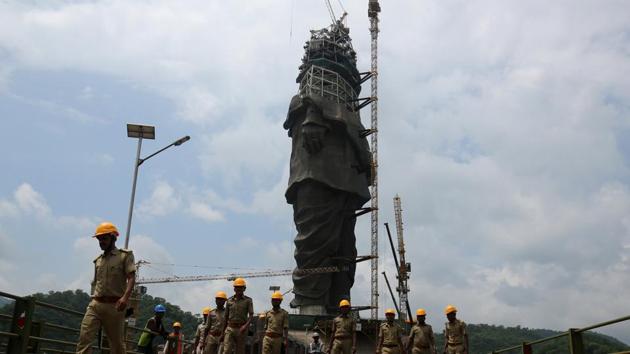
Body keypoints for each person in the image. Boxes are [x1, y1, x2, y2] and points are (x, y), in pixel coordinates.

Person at [284, 91, 372, 312]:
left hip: (347, 169)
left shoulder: (349, 93)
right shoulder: (317, 82)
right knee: (314, 240)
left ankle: (339, 305)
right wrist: (314, 113)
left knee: (345, 248)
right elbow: (308, 91)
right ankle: (312, 304)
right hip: (317, 165)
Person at [76, 222, 136, 354]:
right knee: (84, 338)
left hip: (115, 306)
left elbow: (131, 277)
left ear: (113, 238)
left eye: (104, 238)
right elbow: (96, 282)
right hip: (96, 304)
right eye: (99, 239)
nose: (101, 241)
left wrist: (125, 298)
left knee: (117, 346)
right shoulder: (98, 260)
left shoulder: (124, 256)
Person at [222, 278, 254, 354]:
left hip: (241, 329)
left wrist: (245, 326)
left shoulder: (248, 300)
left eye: (240, 287)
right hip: (230, 328)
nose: (238, 289)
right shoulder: (229, 301)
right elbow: (226, 316)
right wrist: (223, 332)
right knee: (226, 351)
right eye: (236, 287)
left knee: (240, 351)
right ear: (234, 289)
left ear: (244, 289)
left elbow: (251, 315)